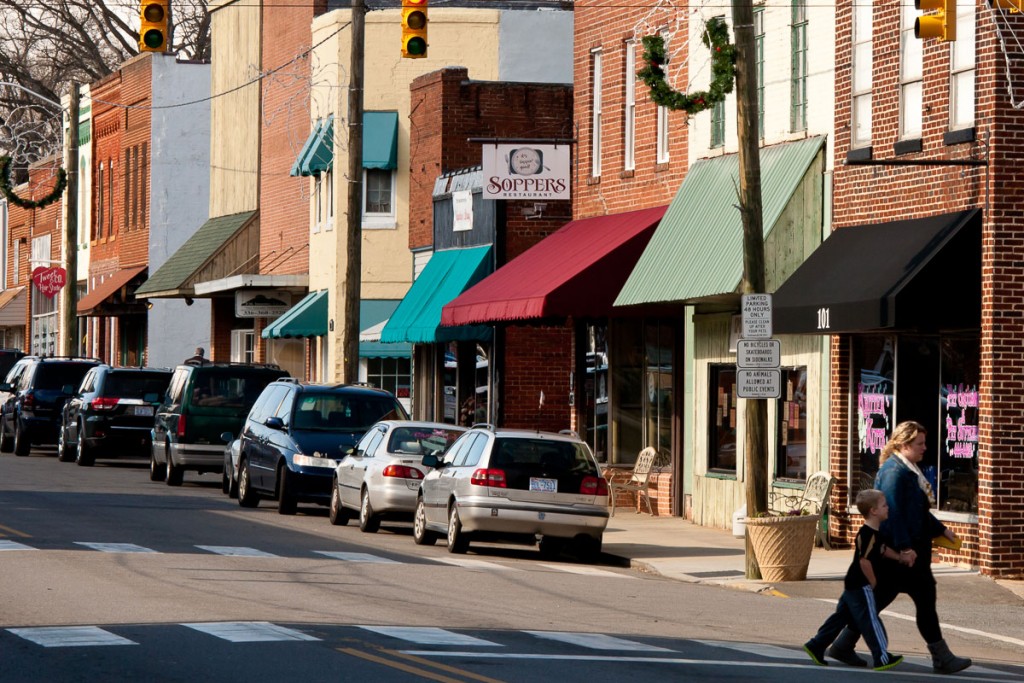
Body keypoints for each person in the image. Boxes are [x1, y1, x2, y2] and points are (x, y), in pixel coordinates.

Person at [827, 421, 971, 674]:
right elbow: (892, 515)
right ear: (904, 445)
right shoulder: (895, 472)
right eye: (920, 444)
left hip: (909, 552)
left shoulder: (908, 469)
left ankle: (843, 644)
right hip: (904, 554)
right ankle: (942, 657)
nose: (925, 448)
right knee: (923, 601)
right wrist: (905, 549)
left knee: (882, 598)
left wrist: (941, 530)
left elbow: (917, 511)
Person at [803, 489, 904, 672]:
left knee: (840, 618)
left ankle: (816, 645)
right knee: (870, 620)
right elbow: (864, 561)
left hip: (852, 584)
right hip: (860, 584)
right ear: (874, 511)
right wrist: (873, 582)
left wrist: (900, 557)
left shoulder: (874, 533)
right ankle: (881, 657)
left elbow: (881, 550)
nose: (887, 508)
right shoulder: (867, 534)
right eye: (884, 505)